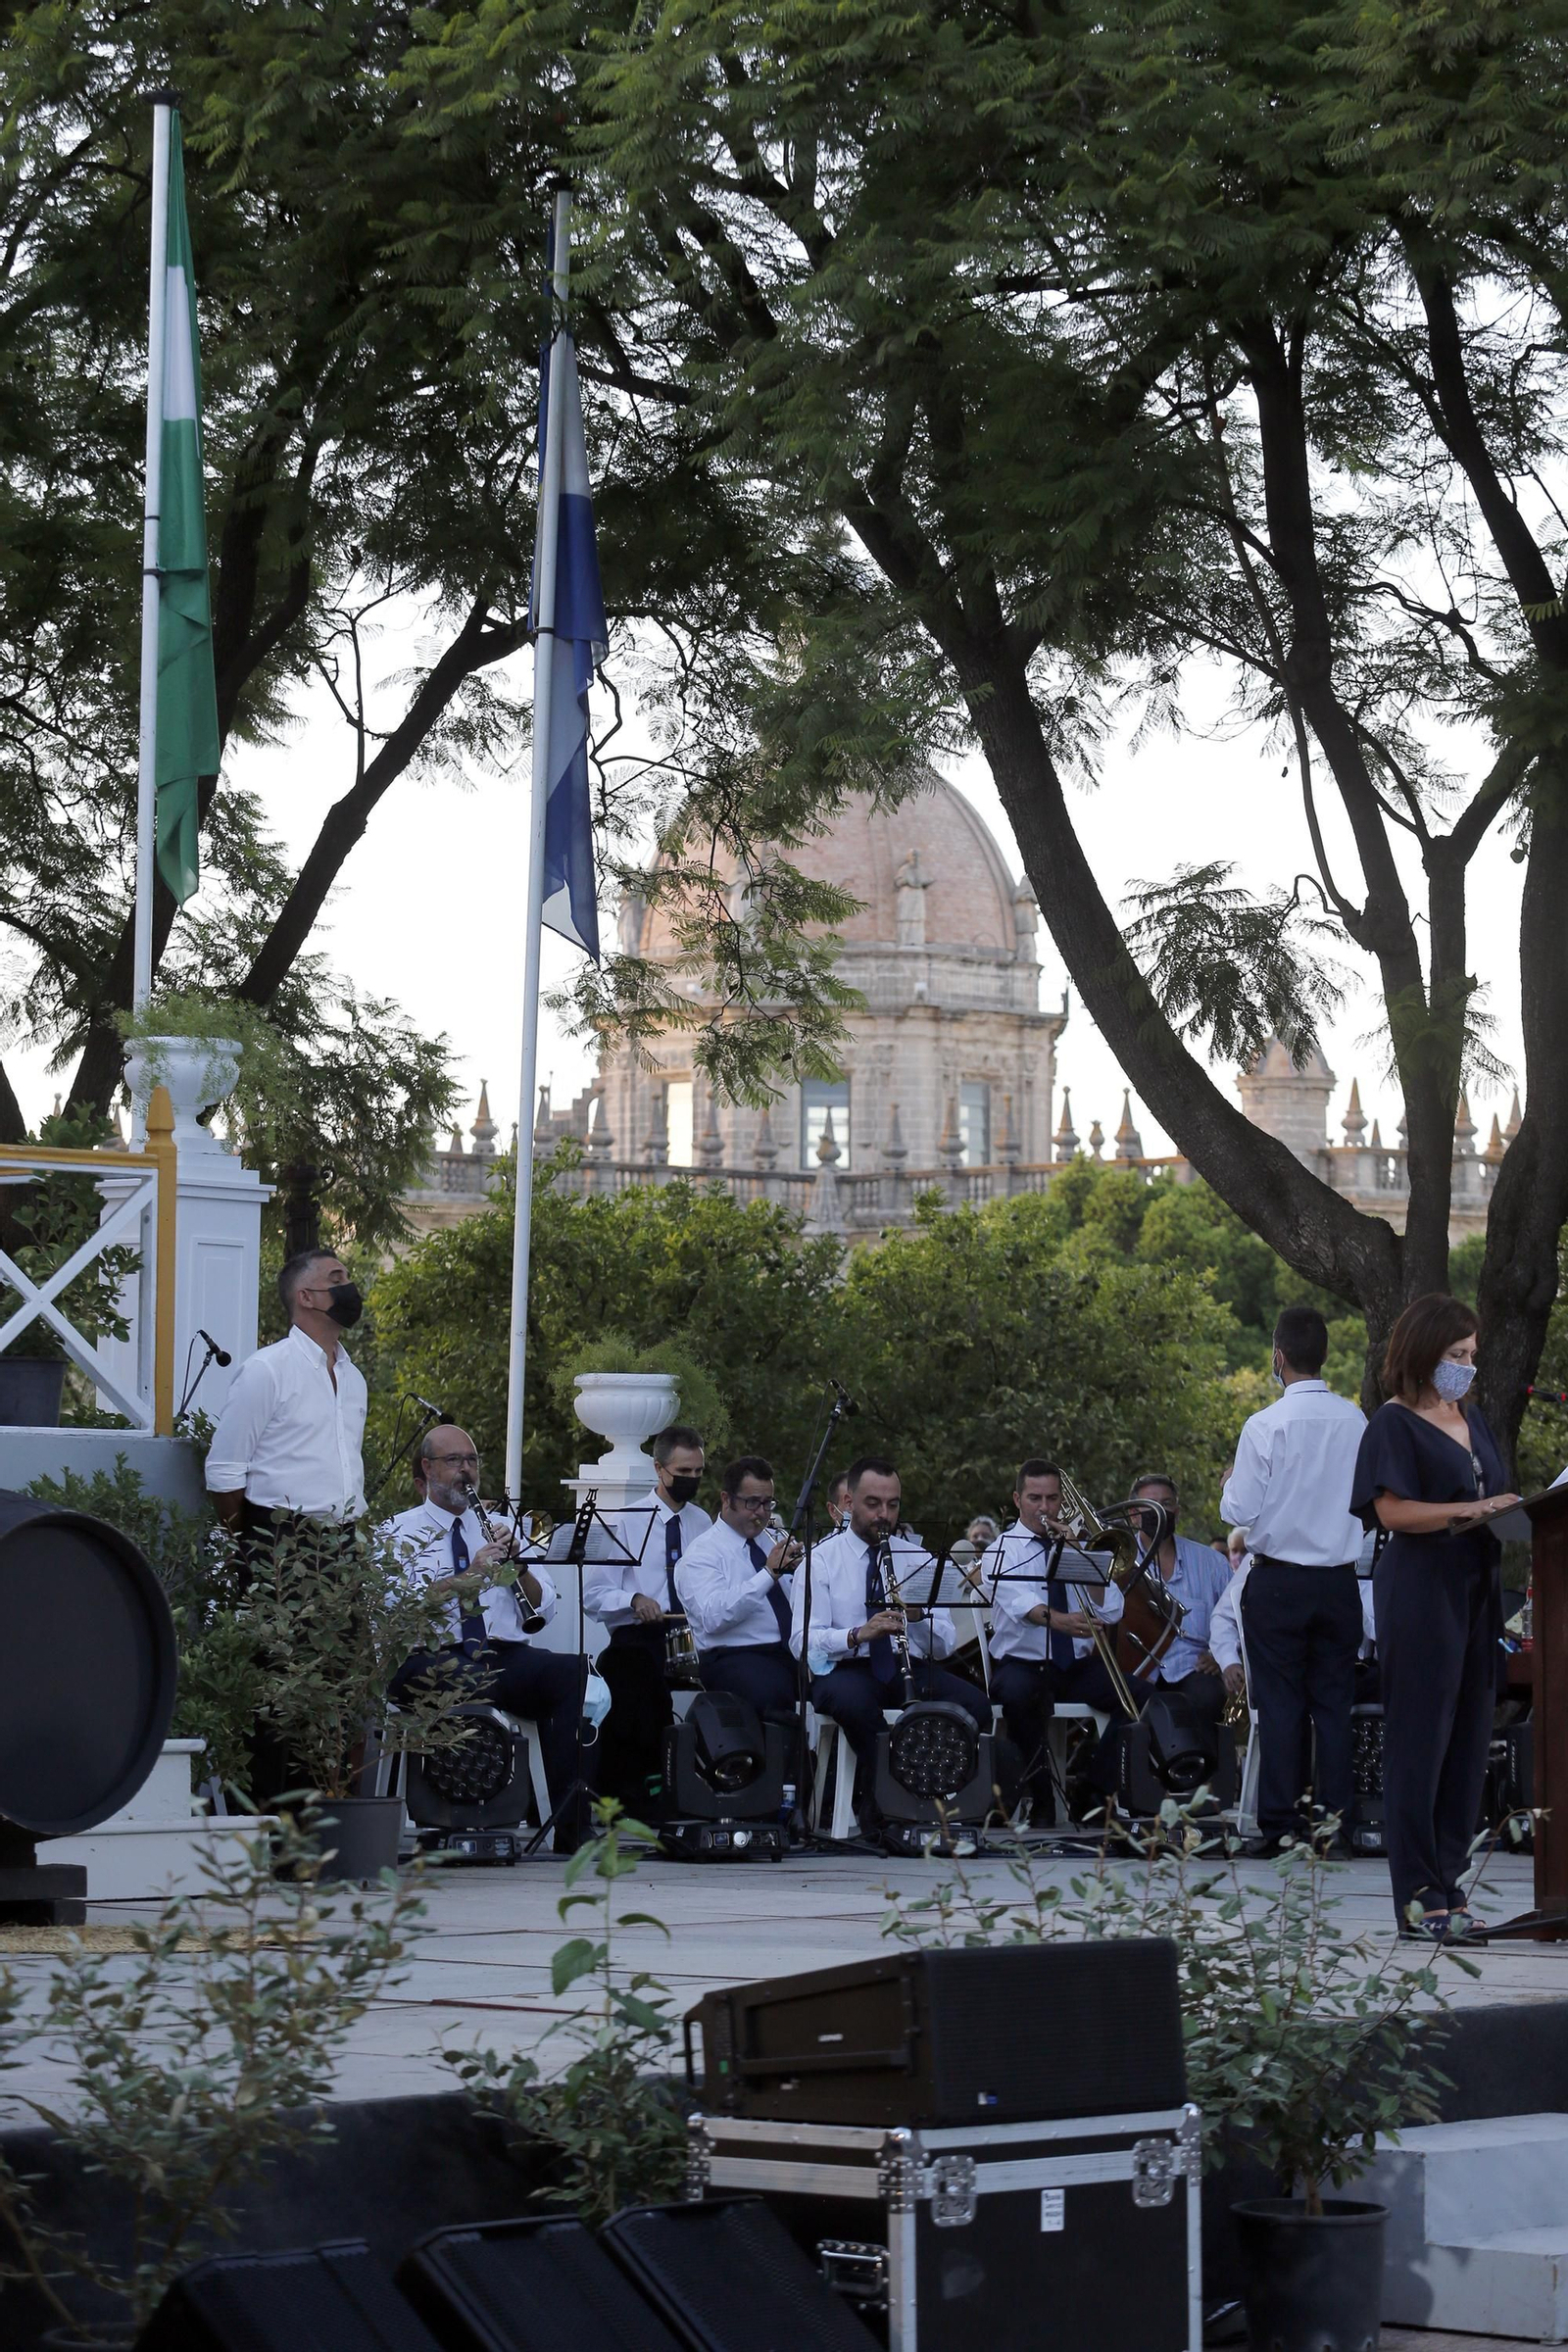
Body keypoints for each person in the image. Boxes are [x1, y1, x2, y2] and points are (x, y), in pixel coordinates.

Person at [1351, 1294, 1519, 1940]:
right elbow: (1390, 1512)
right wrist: (1466, 1514)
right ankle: (1419, 1896)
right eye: (1455, 1355)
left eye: (1472, 1357)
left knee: (1469, 1742)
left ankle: (1452, 1880)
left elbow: (1491, 1490)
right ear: (1422, 1354)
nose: (1465, 1368)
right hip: (1422, 1588)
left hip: (1478, 1587)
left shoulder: (1472, 1420)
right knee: (1420, 1745)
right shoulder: (1392, 1424)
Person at [382, 1426, 588, 1845]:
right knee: (467, 1675)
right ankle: (469, 1816)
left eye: (472, 1461)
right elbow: (396, 1612)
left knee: (572, 1673)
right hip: (426, 1656)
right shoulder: (397, 1532)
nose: (466, 1471)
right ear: (428, 1467)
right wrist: (470, 1578)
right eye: (454, 1461)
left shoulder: (501, 1526)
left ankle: (572, 1828)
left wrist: (521, 1567)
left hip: (501, 1654)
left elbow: (545, 1607)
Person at [1219, 1306, 1368, 1854]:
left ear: (1278, 1357)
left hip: (1280, 1581)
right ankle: (1336, 1827)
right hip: (1338, 1580)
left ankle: (1281, 1825)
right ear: (1324, 1355)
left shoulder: (1264, 1425)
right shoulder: (1356, 1421)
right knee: (1333, 1704)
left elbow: (1239, 1509)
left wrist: (1228, 1484)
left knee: (1280, 1704)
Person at [792, 1455, 991, 1843]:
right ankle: (889, 1802)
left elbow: (946, 1642)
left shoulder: (917, 1558)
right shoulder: (822, 1561)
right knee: (857, 1707)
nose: (885, 1514)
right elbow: (801, 1641)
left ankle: (924, 1794)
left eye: (893, 1505)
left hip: (906, 1665)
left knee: (976, 1706)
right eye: (873, 1504)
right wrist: (856, 1635)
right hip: (844, 1669)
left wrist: (918, 1617)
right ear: (848, 1503)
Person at [985, 1459, 1125, 1819]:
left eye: (1051, 1498)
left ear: (1062, 1500)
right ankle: (1042, 1801)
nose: (1044, 1508)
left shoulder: (1075, 1543)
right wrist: (1060, 1622)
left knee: (1139, 1700)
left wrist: (1082, 1553)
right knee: (1018, 1698)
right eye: (1035, 1498)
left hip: (1074, 1666)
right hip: (1022, 1664)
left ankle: (1092, 1790)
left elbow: (1111, 1611)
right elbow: (1022, 1605)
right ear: (1018, 1499)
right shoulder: (1002, 1550)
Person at [584, 1425, 710, 1814]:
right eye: (682, 1473)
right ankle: (643, 1787)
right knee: (630, 1668)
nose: (690, 1481)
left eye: (697, 1473)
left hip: (694, 1634)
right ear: (658, 1469)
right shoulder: (624, 1520)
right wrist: (633, 1598)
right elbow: (593, 1595)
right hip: (641, 1635)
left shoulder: (703, 1523)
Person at [205, 1247, 368, 1539]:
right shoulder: (266, 1370)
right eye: (335, 1279)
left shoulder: (353, 1377)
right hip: (279, 1540)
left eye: (347, 1278)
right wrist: (248, 1542)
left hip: (343, 1543)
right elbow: (224, 1473)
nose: (349, 1288)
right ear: (305, 1297)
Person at [675, 1456, 802, 1720]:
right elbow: (713, 1617)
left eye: (768, 1503)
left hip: (790, 1649)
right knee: (774, 1698)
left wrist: (806, 1573)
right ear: (726, 1499)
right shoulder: (702, 1553)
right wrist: (769, 1573)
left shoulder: (774, 1541)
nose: (761, 1513)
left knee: (839, 1687)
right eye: (752, 1503)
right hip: (734, 1655)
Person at [1123, 1471, 1230, 1730]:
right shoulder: (1119, 1562)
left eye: (1167, 1504)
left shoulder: (1212, 1563)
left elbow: (1236, 1617)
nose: (1159, 1512)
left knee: (1209, 1696)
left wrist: (1221, 1655)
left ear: (1178, 1511)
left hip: (1193, 1670)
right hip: (1137, 1672)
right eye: (1151, 1505)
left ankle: (1197, 1769)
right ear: (1133, 1515)